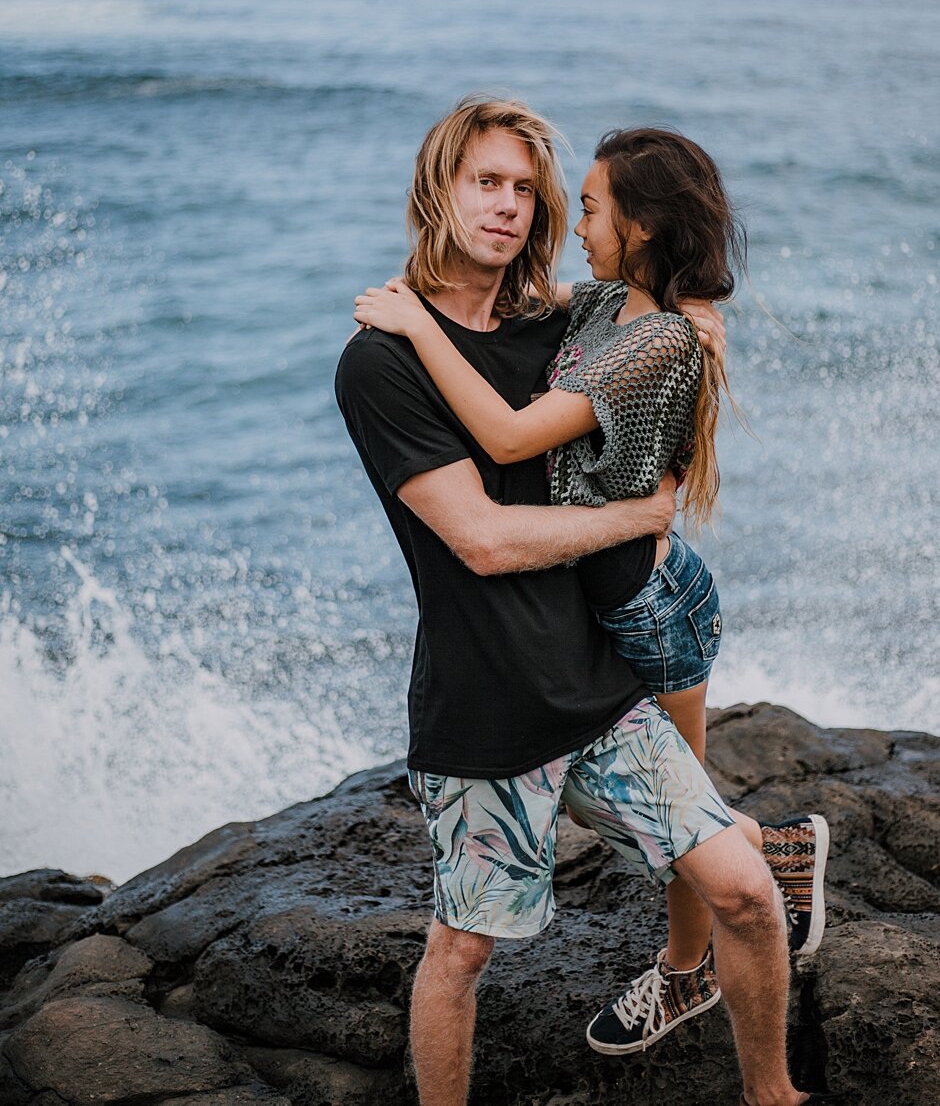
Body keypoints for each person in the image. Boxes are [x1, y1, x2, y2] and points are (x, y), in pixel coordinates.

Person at [336, 95, 835, 1106]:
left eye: (528, 189)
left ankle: (772, 1096)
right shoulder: (381, 359)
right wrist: (632, 520)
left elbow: (642, 309)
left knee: (744, 899)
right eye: (488, 182)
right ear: (438, 190)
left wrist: (696, 315)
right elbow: (478, 539)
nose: (511, 206)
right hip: (485, 703)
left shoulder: (557, 319)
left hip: (603, 687)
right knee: (462, 951)